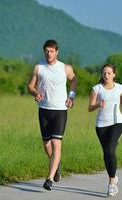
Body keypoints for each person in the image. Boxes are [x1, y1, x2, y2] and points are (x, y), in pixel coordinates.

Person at [27, 39, 77, 191]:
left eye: (51, 51)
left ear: (57, 52)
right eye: (46, 51)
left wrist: (72, 96)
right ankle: (57, 165)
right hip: (44, 110)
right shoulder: (39, 68)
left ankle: (49, 179)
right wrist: (35, 93)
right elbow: (30, 86)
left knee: (56, 143)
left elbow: (74, 79)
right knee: (47, 144)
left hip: (60, 111)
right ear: (44, 52)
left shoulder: (65, 68)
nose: (49, 54)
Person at [88, 64, 122, 197]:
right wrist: (97, 105)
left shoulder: (120, 88)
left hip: (117, 122)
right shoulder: (97, 89)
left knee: (110, 150)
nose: (106, 75)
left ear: (114, 75)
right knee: (107, 152)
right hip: (101, 125)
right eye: (104, 73)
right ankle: (113, 175)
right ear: (102, 75)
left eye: (109, 73)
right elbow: (89, 107)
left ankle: (111, 184)